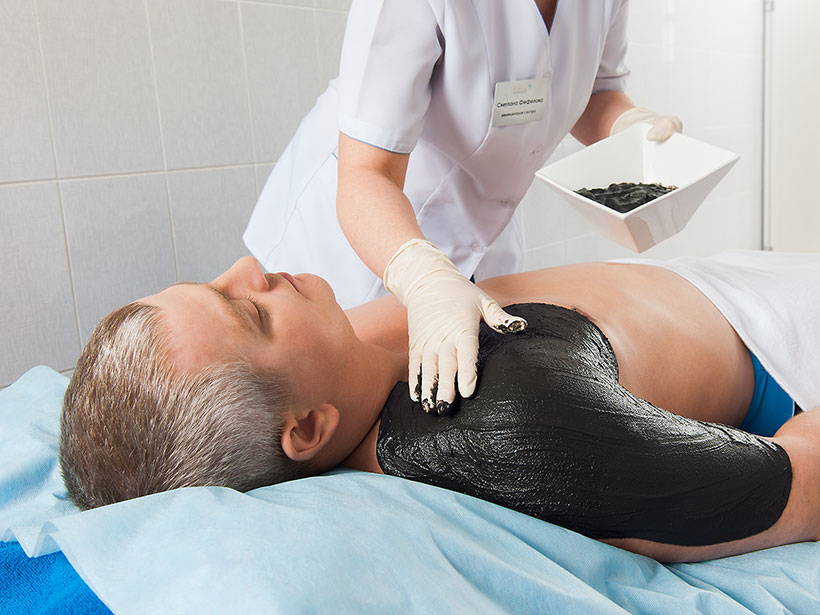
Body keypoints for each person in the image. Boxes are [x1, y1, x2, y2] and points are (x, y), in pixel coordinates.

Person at [60, 252, 820, 563]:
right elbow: (803, 487)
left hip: (722, 276)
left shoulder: (344, 361)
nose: (249, 266)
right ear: (310, 429)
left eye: (214, 282)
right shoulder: (509, 430)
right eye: (250, 313)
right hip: (785, 342)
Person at [243, 0, 684, 413]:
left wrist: (630, 125)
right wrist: (424, 278)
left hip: (480, 225)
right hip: (366, 233)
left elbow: (596, 92)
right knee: (337, 406)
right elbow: (367, 175)